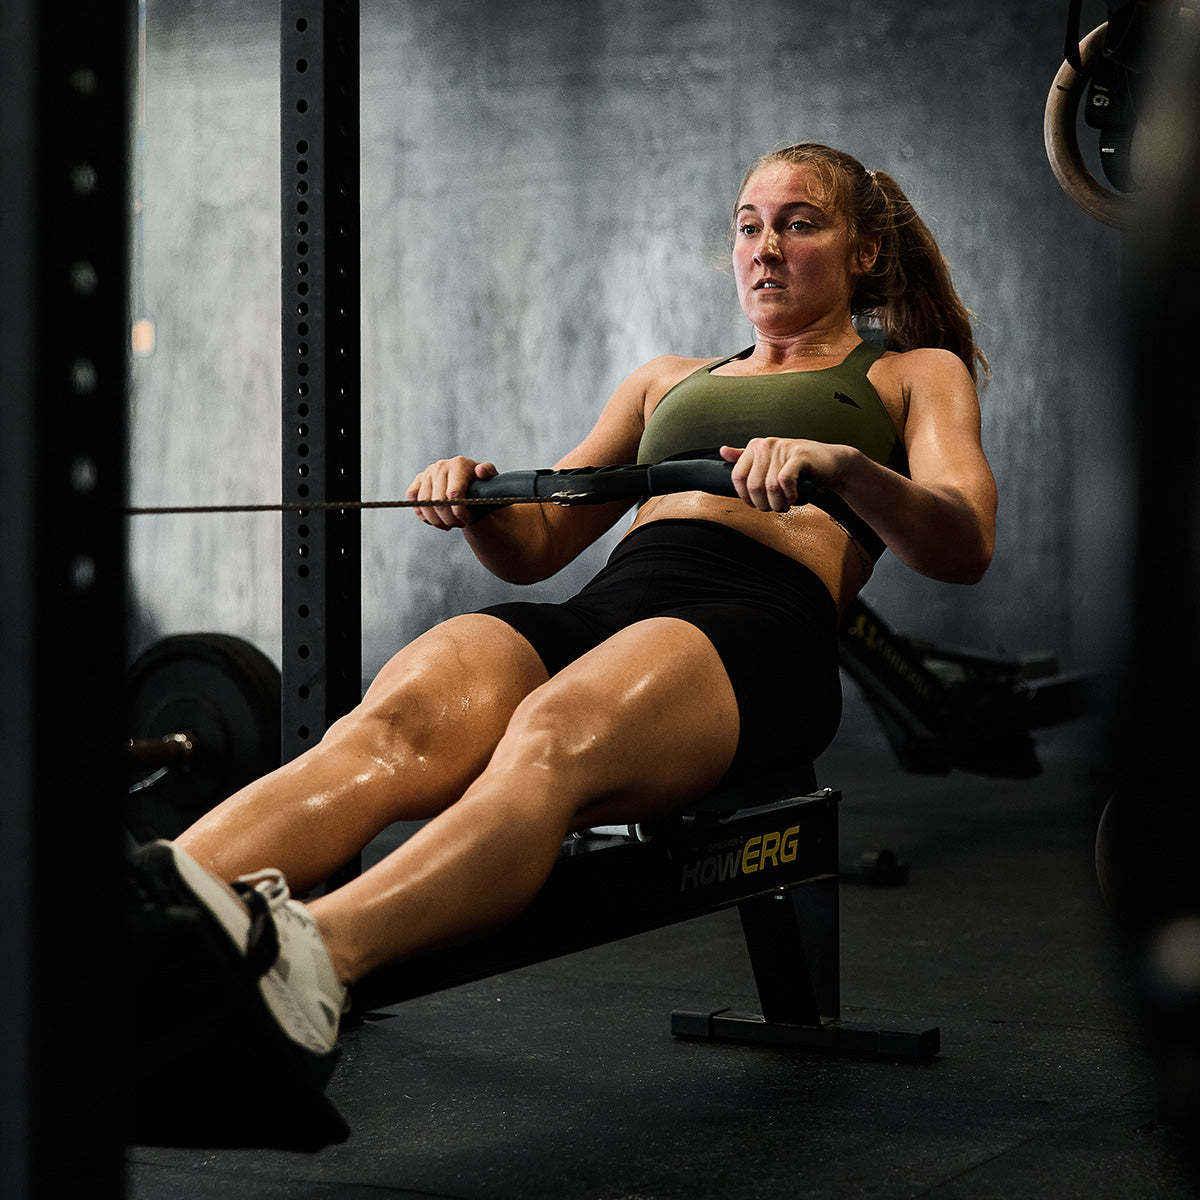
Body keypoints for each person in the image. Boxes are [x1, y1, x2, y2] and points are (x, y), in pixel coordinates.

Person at [134, 143, 996, 1085]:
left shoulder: (910, 375)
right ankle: (143, 916)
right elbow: (543, 542)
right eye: (749, 225)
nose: (764, 248)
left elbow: (963, 544)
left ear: (864, 252)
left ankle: (316, 962)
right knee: (387, 729)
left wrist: (845, 468)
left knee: (547, 738)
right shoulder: (667, 378)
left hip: (758, 625)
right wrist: (475, 505)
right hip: (612, 608)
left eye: (799, 223)